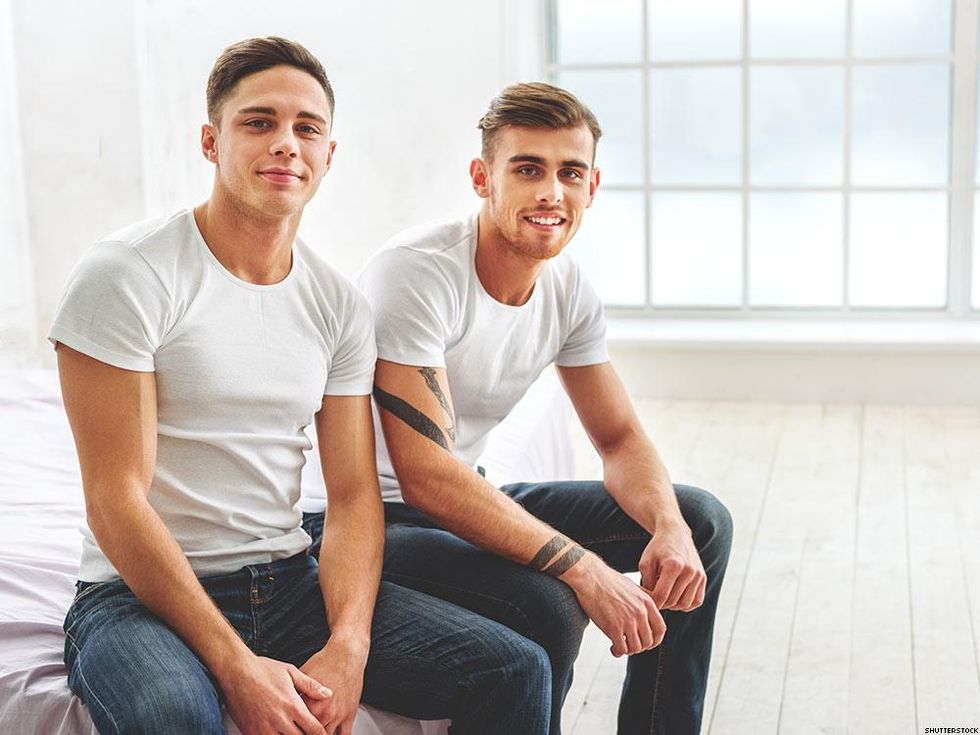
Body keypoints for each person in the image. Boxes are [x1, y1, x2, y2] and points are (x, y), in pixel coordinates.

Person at [49, 38, 552, 735]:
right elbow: (116, 500)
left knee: (515, 667)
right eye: (259, 122)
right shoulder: (127, 276)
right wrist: (234, 665)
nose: (286, 143)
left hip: (284, 584)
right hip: (136, 598)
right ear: (210, 141)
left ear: (328, 155)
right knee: (173, 712)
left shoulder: (337, 305)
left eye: (306, 128)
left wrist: (350, 644)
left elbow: (350, 495)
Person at [325, 82, 733, 734]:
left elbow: (620, 436)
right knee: (554, 599)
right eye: (527, 169)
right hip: (369, 521)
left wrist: (669, 527)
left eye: (570, 172)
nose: (551, 192)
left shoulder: (567, 287)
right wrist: (585, 567)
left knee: (700, 522)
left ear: (592, 186)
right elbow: (425, 473)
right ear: (482, 176)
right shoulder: (416, 274)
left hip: (459, 504)